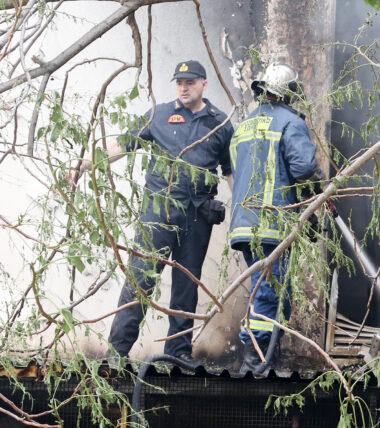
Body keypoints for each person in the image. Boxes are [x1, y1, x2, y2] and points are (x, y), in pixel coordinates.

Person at [71, 60, 234, 365]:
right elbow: (122, 145)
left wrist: (242, 207)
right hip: (159, 213)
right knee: (140, 280)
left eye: (189, 82)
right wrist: (82, 166)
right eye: (179, 82)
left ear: (203, 84)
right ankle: (117, 352)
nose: (183, 87)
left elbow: (231, 170)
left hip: (198, 216)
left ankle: (179, 353)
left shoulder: (220, 123)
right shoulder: (160, 115)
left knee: (188, 285)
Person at [227, 62, 322, 373]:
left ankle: (265, 356)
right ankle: (255, 363)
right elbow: (304, 169)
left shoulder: (243, 127)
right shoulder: (290, 123)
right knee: (269, 291)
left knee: (272, 289)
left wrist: (305, 217)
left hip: (245, 224)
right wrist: (314, 197)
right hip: (271, 225)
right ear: (290, 93)